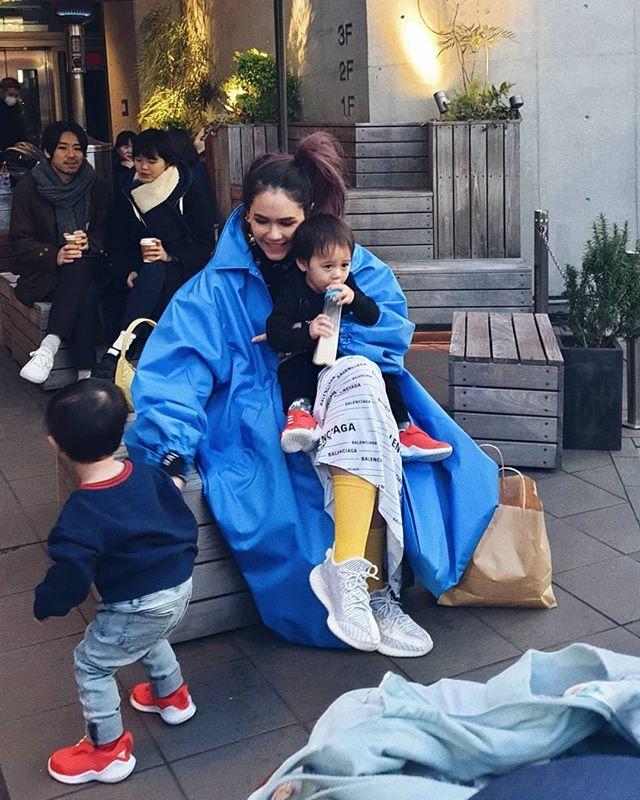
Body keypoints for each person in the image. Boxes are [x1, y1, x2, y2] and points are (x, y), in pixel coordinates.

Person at [125, 132, 498, 656]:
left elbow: (386, 331)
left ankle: (365, 585)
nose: (273, 234)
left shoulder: (344, 261)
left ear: (309, 214)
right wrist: (168, 450)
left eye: (287, 223)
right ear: (244, 214)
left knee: (363, 388)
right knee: (345, 437)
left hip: (348, 388)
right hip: (263, 405)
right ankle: (371, 589)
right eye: (260, 221)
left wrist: (322, 333)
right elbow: (177, 370)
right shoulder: (214, 288)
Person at [34, 379, 198, 785]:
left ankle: (106, 752)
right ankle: (172, 697)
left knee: (91, 663)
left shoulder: (80, 515)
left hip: (137, 603)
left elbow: (71, 576)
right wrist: (175, 471)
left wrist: (48, 602)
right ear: (123, 429)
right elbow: (172, 492)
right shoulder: (145, 474)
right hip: (179, 587)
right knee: (148, 635)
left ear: (56, 445)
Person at [267, 213, 453, 462]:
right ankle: (300, 416)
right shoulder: (292, 290)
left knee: (383, 372)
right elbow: (275, 334)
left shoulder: (348, 283)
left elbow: (372, 316)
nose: (337, 275)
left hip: (342, 356)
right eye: (328, 267)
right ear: (303, 263)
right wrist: (308, 332)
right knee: (292, 368)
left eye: (344, 265)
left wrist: (355, 300)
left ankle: (403, 430)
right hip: (307, 354)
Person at [95, 128, 216, 379]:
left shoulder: (186, 187)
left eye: (152, 161)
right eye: (139, 159)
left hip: (184, 269)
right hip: (141, 273)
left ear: (167, 162)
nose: (144, 167)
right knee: (150, 273)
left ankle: (119, 347)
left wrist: (170, 255)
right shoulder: (126, 190)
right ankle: (128, 350)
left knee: (157, 270)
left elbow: (204, 240)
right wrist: (126, 271)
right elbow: (116, 241)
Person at [9, 121, 109, 384]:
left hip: (90, 266)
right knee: (85, 289)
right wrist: (55, 255)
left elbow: (107, 230)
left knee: (80, 267)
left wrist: (90, 241)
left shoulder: (95, 185)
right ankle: (85, 377)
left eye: (77, 148)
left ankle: (48, 347)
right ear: (47, 151)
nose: (71, 155)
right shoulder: (29, 188)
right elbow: (19, 242)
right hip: (45, 273)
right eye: (63, 148)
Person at [0, 76, 27, 151]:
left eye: (16, 95)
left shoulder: (16, 109)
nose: (13, 98)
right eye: (10, 94)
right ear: (1, 92)